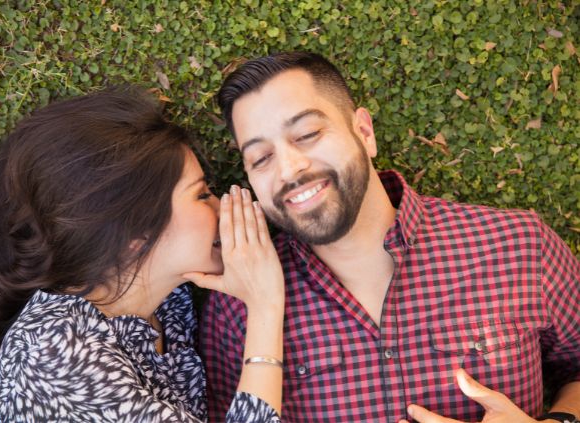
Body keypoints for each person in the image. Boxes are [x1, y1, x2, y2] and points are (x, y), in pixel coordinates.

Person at [201, 52, 580, 423]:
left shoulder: (519, 245)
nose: (289, 169)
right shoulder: (238, 305)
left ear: (364, 132)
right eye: (261, 158)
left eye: (307, 134)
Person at [0, 87, 285, 422]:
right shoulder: (57, 354)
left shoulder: (168, 302)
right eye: (200, 195)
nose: (223, 206)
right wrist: (265, 306)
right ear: (135, 233)